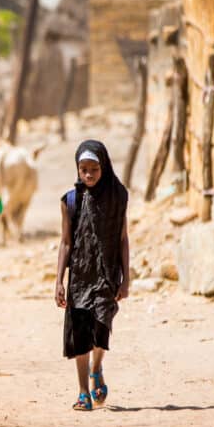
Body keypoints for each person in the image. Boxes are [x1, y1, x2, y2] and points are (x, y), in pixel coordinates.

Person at [54, 140, 130, 411]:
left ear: (104, 167)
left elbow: (122, 238)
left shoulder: (118, 195)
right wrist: (59, 281)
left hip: (107, 275)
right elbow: (65, 242)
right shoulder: (70, 201)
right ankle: (83, 392)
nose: (88, 175)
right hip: (80, 277)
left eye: (94, 169)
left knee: (101, 328)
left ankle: (96, 367)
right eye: (83, 169)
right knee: (81, 334)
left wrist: (126, 278)